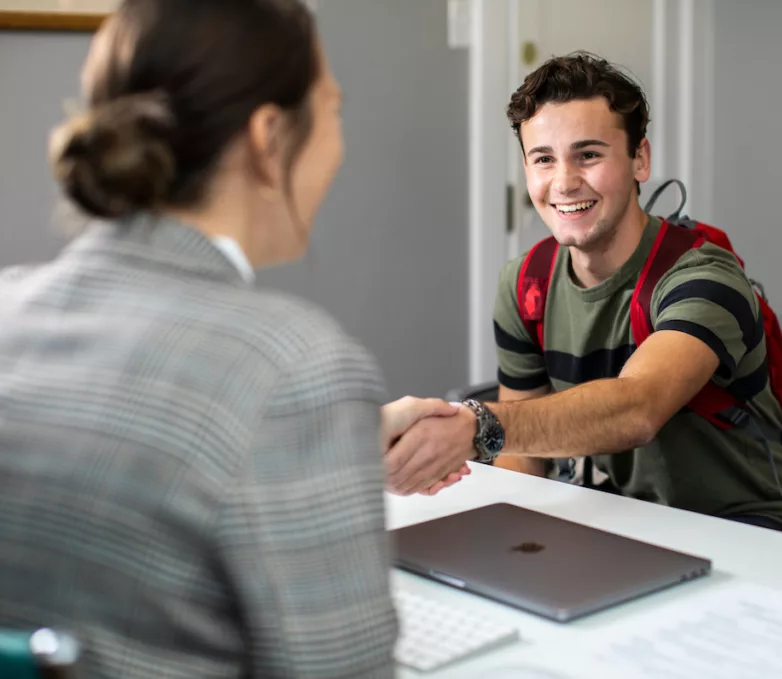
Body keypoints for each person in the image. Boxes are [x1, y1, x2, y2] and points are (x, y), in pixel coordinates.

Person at [0, 1, 455, 676]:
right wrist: (300, 413)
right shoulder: (293, 367)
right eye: (332, 109)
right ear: (269, 139)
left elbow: (127, 452)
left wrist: (337, 437)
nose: (340, 141)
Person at [385, 52, 782, 537]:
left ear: (640, 159)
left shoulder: (703, 277)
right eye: (544, 159)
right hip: (619, 525)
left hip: (751, 530)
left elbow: (637, 409)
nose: (565, 182)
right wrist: (501, 529)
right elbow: (522, 456)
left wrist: (473, 427)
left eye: (588, 155)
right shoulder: (525, 283)